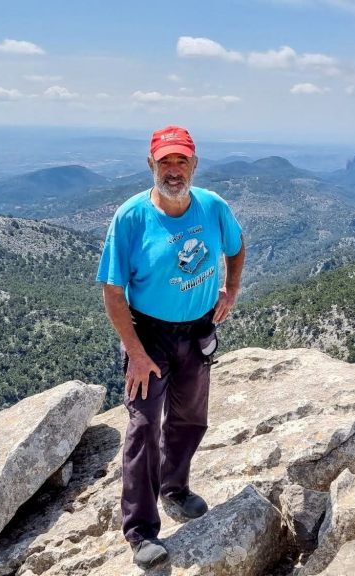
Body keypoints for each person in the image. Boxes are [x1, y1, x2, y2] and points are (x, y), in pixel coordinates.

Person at [96, 125, 245, 569]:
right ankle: (140, 530)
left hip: (197, 331)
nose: (174, 170)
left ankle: (174, 489)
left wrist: (231, 289)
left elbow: (236, 247)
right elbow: (112, 291)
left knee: (189, 418)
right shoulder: (131, 217)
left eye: (182, 161)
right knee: (144, 427)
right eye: (165, 162)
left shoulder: (214, 208)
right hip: (150, 336)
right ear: (151, 165)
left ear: (195, 165)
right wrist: (136, 353)